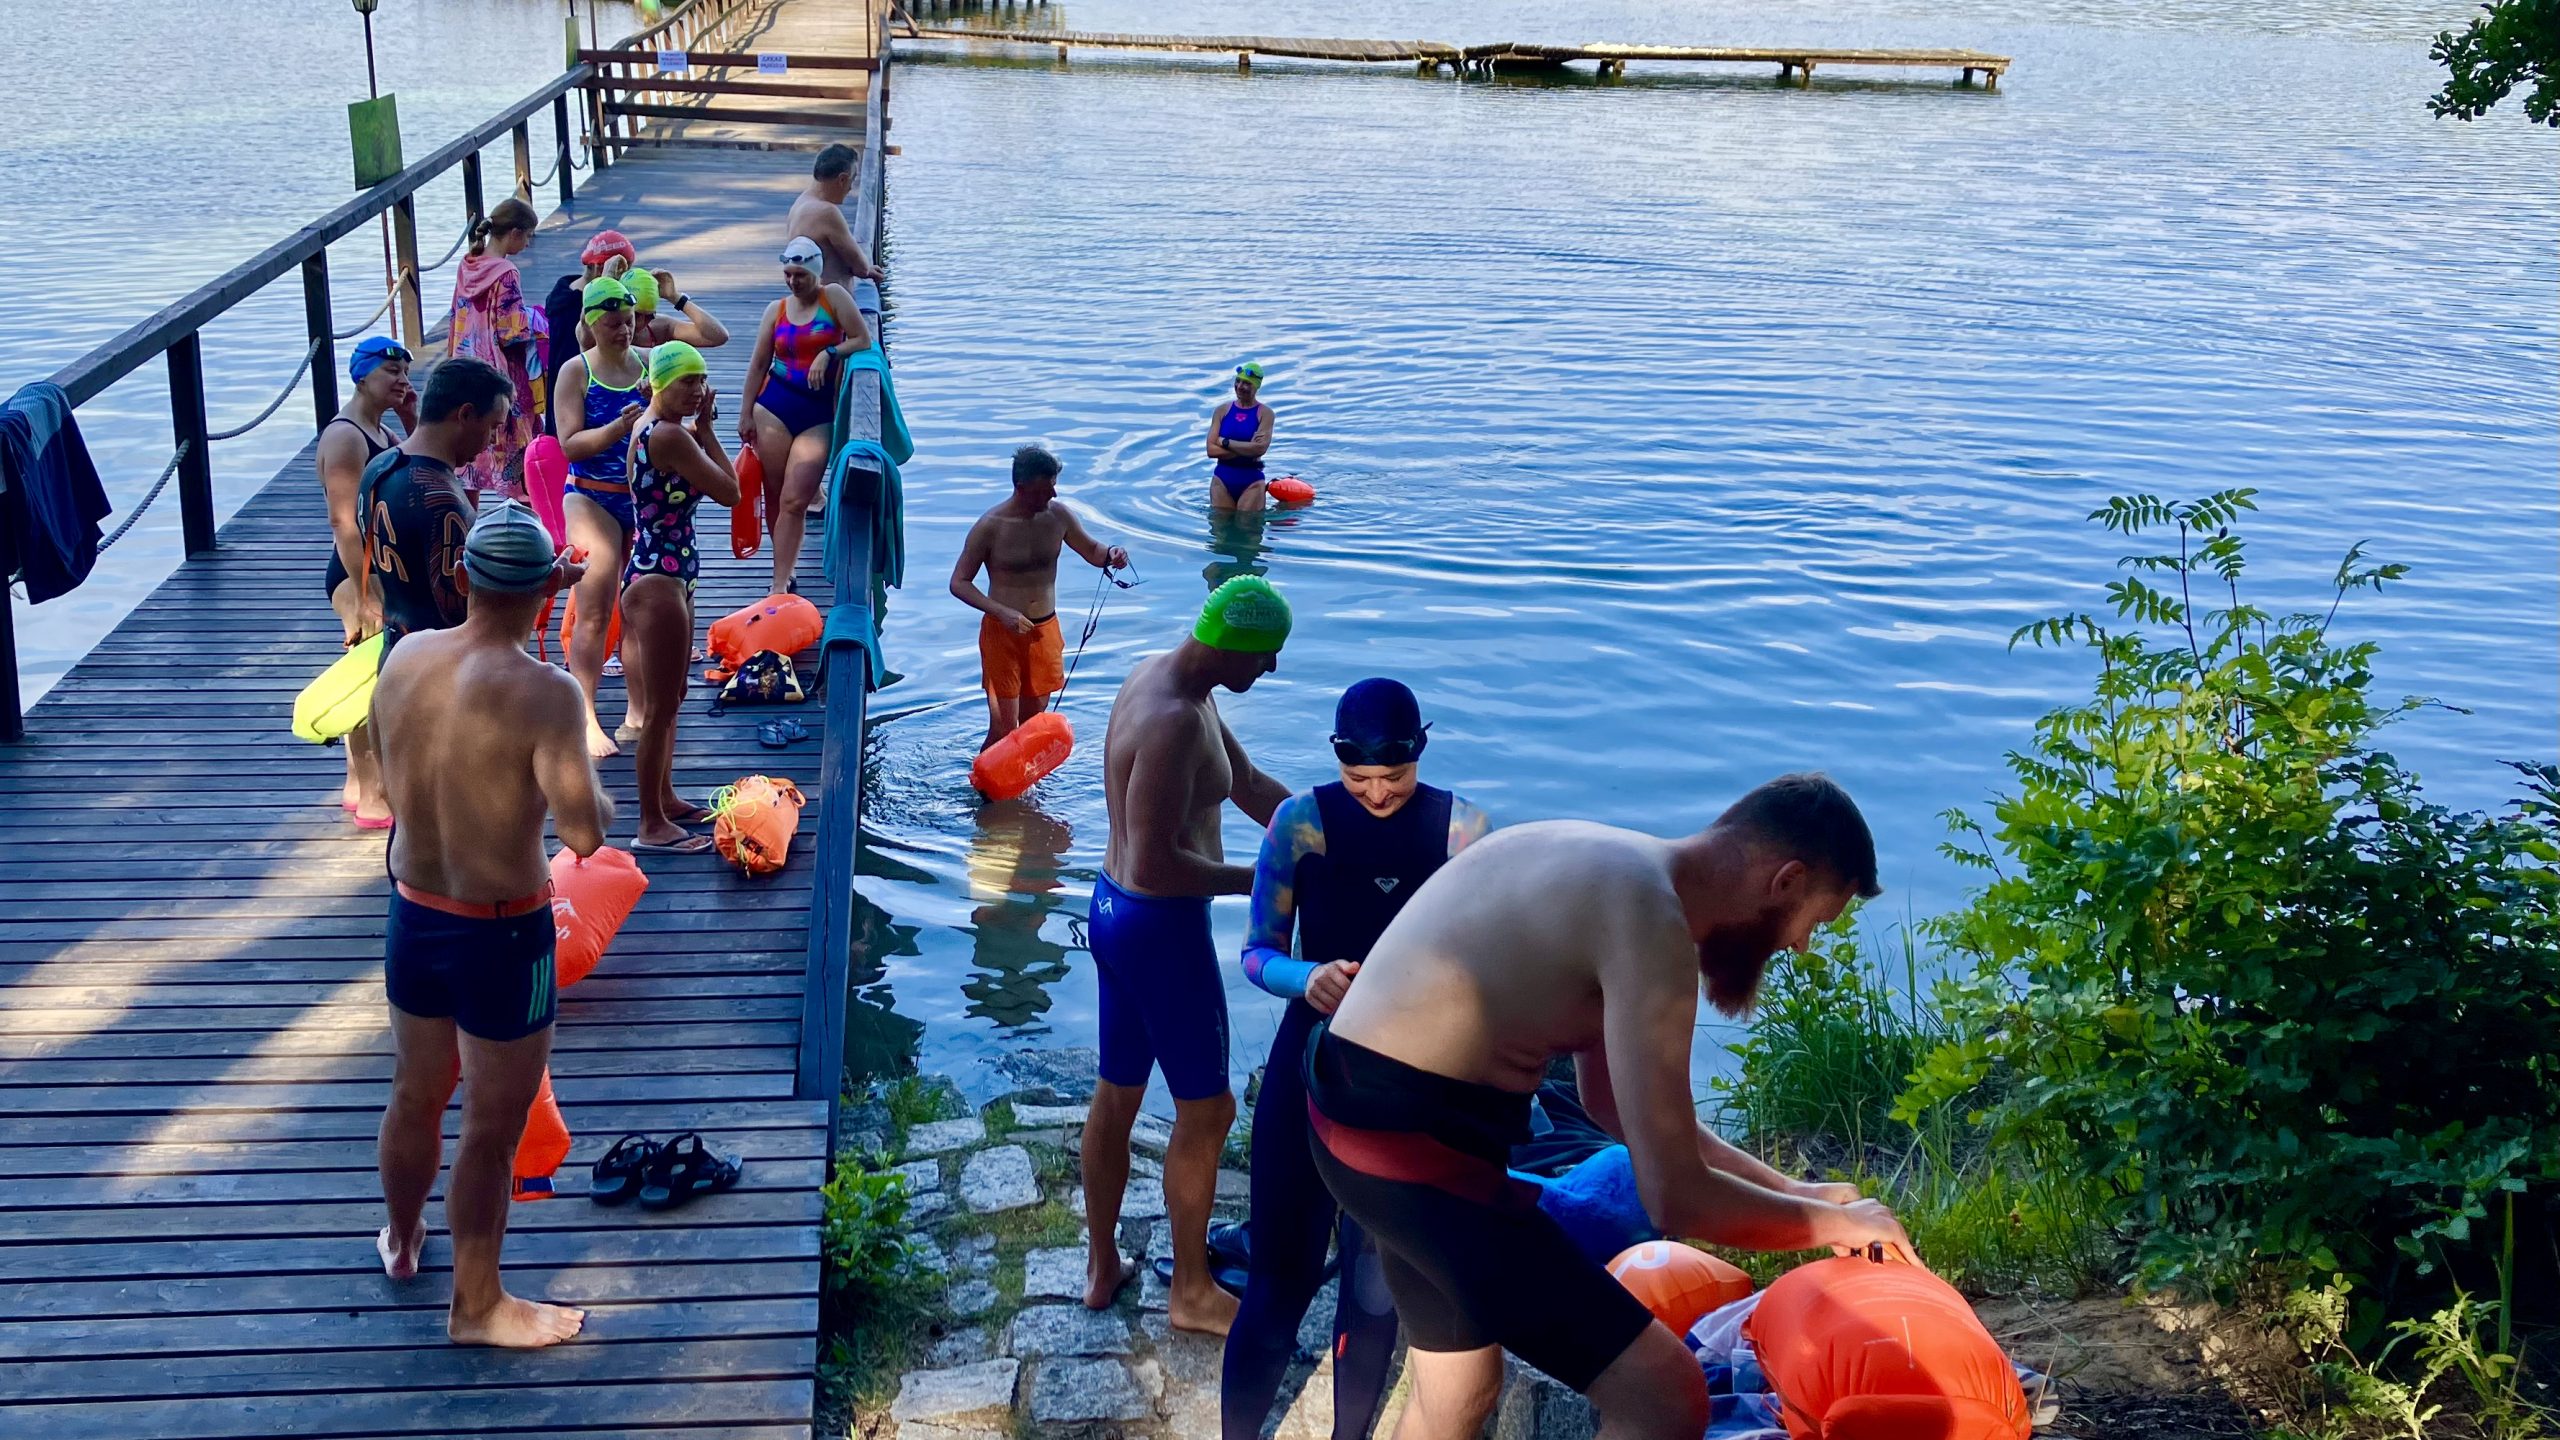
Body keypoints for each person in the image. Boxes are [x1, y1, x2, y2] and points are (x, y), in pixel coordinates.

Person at [1309, 775, 1916, 1440]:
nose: (1799, 947)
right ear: (1787, 882)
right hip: (1411, 1155)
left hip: (1352, 1113)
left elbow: (1614, 1112)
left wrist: (1798, 1192)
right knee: (1664, 1395)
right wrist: (1835, 1228)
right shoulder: (1652, 921)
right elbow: (1674, 1198)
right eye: (1814, 924)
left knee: (1458, 1387)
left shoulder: (1622, 870)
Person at [1223, 679, 1491, 1440]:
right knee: (1279, 1279)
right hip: (1309, 1061)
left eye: (1394, 777)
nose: (1376, 794)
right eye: (1358, 777)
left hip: (1407, 1086)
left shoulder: (1463, 832)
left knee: (1375, 1287)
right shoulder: (1298, 824)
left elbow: (1487, 966)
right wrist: (1308, 979)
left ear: (1422, 751)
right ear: (1336, 758)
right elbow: (1255, 955)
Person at [370, 499, 607, 1348]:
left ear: (462, 578)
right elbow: (584, 832)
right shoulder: (546, 693)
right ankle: (476, 1305)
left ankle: (401, 1241)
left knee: (416, 1091)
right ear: (550, 585)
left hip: (413, 912)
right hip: (501, 934)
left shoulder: (403, 657)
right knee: (491, 1127)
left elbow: (391, 762)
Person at [1083, 575, 1295, 1335]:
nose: (1269, 669)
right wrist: (1264, 879)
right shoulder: (1174, 721)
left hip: (1112, 914)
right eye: (1267, 654)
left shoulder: (1171, 681)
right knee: (1209, 1110)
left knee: (1118, 1092)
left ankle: (1103, 1265)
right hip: (1157, 927)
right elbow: (1158, 864)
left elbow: (1245, 784)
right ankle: (1192, 1292)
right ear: (1233, 643)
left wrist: (1318, 834)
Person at [620, 341, 740, 853]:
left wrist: (705, 430)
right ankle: (650, 825)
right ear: (661, 384)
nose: (698, 391)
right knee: (660, 706)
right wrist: (707, 433)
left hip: (671, 570)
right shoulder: (669, 436)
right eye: (687, 381)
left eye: (701, 379)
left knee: (674, 699)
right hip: (657, 578)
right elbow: (732, 492)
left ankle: (665, 798)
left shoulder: (654, 427)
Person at [947, 445, 1129, 750]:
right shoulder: (990, 526)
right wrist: (1001, 612)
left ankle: (1025, 793)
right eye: (1046, 489)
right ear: (1021, 487)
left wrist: (1112, 554)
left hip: (1044, 630)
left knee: (1034, 723)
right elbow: (959, 582)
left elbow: (1093, 551)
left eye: (1054, 487)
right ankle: (985, 791)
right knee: (1005, 728)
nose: (1053, 496)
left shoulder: (1058, 517)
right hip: (1002, 632)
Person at [316, 336, 415, 827]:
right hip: (358, 573)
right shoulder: (345, 436)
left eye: (404, 372)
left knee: (370, 679)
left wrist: (413, 413)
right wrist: (365, 594)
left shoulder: (377, 428)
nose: (401, 381)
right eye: (390, 373)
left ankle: (358, 785)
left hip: (375, 569)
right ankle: (374, 795)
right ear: (361, 377)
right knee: (372, 689)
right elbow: (343, 523)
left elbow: (419, 463)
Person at [552, 276, 651, 758]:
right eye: (612, 323)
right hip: (590, 495)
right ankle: (585, 715)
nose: (624, 331)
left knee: (636, 608)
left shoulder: (649, 365)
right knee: (594, 610)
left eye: (629, 322)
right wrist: (619, 426)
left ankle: (637, 709)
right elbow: (569, 444)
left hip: (640, 497)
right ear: (592, 324)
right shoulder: (576, 372)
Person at [740, 237, 870, 596]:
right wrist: (745, 413)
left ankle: (780, 582)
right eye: (787, 275)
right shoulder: (776, 310)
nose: (792, 282)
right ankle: (781, 575)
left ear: (814, 272)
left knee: (796, 500)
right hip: (774, 405)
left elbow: (862, 339)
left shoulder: (834, 299)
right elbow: (758, 364)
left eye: (799, 275)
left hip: (817, 412)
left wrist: (830, 352)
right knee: (775, 493)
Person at [362, 357, 517, 650]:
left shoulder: (381, 466)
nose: (493, 441)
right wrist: (541, 581)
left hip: (396, 652)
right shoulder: (441, 499)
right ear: (466, 414)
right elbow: (463, 612)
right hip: (440, 673)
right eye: (493, 427)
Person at [445, 198, 548, 501]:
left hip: (466, 368)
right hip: (500, 371)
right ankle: (524, 525)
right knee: (516, 450)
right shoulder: (506, 272)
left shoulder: (468, 265)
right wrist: (540, 321)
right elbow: (511, 330)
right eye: (527, 236)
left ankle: (466, 527)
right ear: (514, 233)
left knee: (470, 468)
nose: (528, 244)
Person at [542, 230, 638, 424]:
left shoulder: (564, 291)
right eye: (621, 272)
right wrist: (607, 282)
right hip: (576, 392)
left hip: (567, 390)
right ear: (599, 268)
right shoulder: (579, 307)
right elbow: (585, 331)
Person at [787, 143, 881, 288]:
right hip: (829, 304)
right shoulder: (826, 212)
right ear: (842, 179)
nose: (850, 188)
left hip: (808, 301)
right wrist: (868, 269)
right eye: (853, 179)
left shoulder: (800, 203)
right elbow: (861, 267)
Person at [1205, 362, 1274, 513]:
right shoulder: (1221, 411)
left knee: (1248, 529)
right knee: (1220, 530)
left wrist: (1225, 442)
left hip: (1252, 480)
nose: (1240, 386)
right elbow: (1211, 450)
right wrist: (1247, 448)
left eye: (1247, 383)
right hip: (1222, 479)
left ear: (1256, 386)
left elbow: (1260, 449)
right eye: (1238, 381)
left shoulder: (1265, 413)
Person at [621, 265, 730, 350]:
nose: (640, 323)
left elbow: (717, 337)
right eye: (636, 315)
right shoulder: (605, 334)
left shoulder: (658, 328)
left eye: (649, 316)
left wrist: (676, 298)